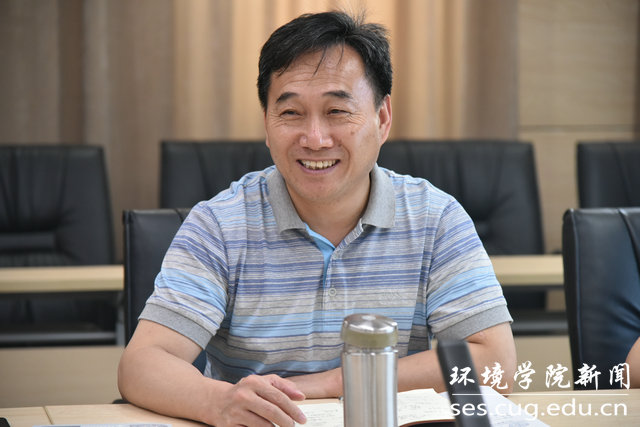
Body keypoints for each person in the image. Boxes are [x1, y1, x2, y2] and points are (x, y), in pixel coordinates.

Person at [118, 10, 516, 427]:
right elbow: (143, 363)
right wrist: (221, 402)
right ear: (267, 124)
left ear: (382, 119)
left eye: (337, 111)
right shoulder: (219, 225)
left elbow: (496, 362)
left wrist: (334, 382)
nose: (315, 139)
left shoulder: (435, 218)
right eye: (291, 113)